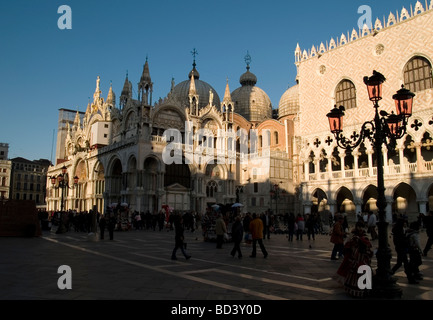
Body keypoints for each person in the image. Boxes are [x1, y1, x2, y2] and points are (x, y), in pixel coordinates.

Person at [334, 221, 373, 297]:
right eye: (359, 227)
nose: (360, 228)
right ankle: (357, 290)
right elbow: (348, 244)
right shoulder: (354, 234)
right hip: (355, 255)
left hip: (360, 256)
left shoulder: (364, 235)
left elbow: (368, 245)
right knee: (355, 272)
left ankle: (362, 290)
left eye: (361, 227)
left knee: (359, 272)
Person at [391, 218, 418, 284]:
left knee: (399, 263)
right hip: (401, 249)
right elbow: (401, 240)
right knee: (405, 263)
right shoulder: (399, 231)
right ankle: (410, 278)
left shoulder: (398, 230)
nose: (405, 224)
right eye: (404, 223)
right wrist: (406, 238)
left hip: (400, 248)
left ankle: (390, 273)